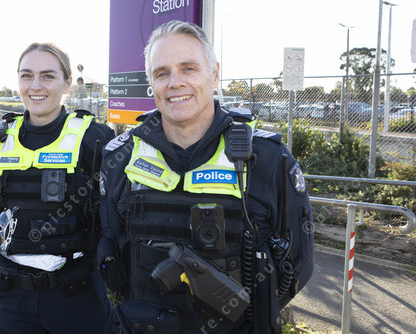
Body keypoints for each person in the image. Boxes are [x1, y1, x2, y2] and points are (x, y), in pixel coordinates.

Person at [98, 21, 314, 333]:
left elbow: (297, 267)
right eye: (162, 73)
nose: (175, 82)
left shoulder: (268, 159)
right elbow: (112, 251)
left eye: (188, 68)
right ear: (151, 83)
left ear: (214, 74)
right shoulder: (119, 158)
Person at [0, 42, 115, 333]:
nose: (35, 86)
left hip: (77, 299)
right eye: (26, 75)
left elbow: (115, 217)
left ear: (67, 83)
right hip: (11, 298)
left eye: (48, 76)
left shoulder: (96, 139)